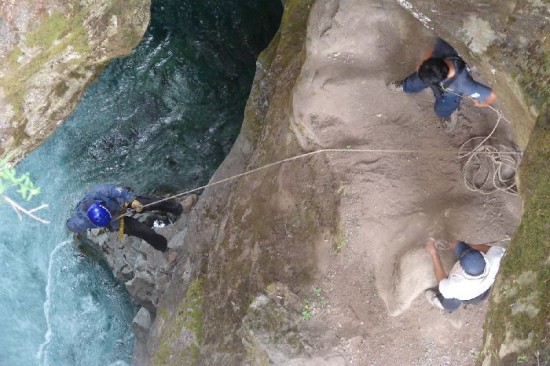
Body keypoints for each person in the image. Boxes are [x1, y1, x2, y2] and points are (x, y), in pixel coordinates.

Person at [388, 37, 497, 130]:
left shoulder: (463, 84)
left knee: (442, 108)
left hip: (451, 91)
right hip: (433, 71)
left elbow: (491, 96)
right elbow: (432, 50)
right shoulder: (443, 44)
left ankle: (448, 114)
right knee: (417, 79)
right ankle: (406, 85)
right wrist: (423, 65)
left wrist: (481, 103)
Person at [66, 184, 183, 252]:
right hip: (115, 222)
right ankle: (164, 248)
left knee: (151, 203)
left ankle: (177, 208)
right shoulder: (81, 222)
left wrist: (132, 200)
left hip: (120, 202)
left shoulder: (100, 191)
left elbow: (119, 192)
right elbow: (69, 225)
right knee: (145, 232)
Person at [424, 238, 506, 312]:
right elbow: (488, 248)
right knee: (459, 244)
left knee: (451, 303)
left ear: (462, 267)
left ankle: (438, 301)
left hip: (471, 296)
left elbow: (441, 279)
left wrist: (434, 254)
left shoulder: (457, 285)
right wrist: (465, 246)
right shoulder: (496, 258)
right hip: (484, 289)